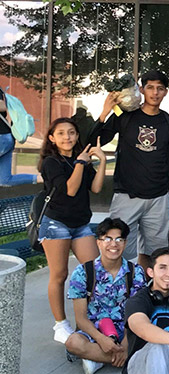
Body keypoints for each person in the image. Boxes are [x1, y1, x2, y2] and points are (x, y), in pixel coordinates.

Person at [90, 70, 169, 265]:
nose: (155, 93)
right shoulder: (125, 116)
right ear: (141, 90)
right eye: (150, 87)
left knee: (155, 254)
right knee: (118, 251)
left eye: (160, 88)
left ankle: (145, 291)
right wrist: (105, 112)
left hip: (158, 198)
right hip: (127, 195)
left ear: (166, 92)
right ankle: (118, 292)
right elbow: (96, 140)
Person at [39, 117, 105, 343]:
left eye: (71, 133)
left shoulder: (82, 161)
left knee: (95, 272)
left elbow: (95, 188)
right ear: (52, 138)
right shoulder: (51, 162)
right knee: (60, 274)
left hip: (80, 224)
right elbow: (70, 189)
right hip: (56, 223)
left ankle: (91, 321)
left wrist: (102, 162)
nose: (67, 137)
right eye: (61, 133)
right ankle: (60, 325)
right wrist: (80, 163)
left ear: (77, 136)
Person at [66, 218, 146, 374]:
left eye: (119, 239)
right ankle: (124, 358)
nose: (113, 244)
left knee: (155, 337)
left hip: (128, 330)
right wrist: (101, 339)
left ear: (125, 242)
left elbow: (138, 313)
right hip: (94, 331)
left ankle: (98, 358)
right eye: (107, 239)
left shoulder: (136, 272)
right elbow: (81, 318)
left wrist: (125, 344)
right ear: (98, 243)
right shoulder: (83, 272)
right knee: (73, 343)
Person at [0, 87, 39, 186]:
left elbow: (2, 106)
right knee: (5, 180)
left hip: (2, 138)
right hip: (7, 137)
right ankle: (41, 178)